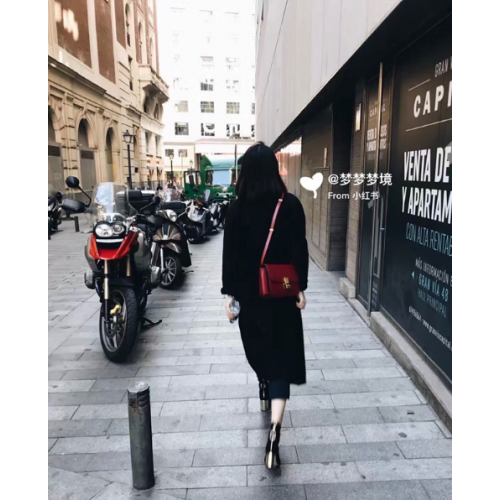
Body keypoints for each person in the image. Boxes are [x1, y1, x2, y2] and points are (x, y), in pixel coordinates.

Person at [222, 142, 309, 470]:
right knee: (281, 363)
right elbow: (299, 250)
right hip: (282, 296)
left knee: (262, 356)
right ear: (274, 171)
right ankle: (275, 429)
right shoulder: (291, 205)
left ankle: (263, 383)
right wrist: (300, 289)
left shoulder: (236, 210)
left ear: (245, 173)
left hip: (252, 300)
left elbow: (230, 257)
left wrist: (231, 296)